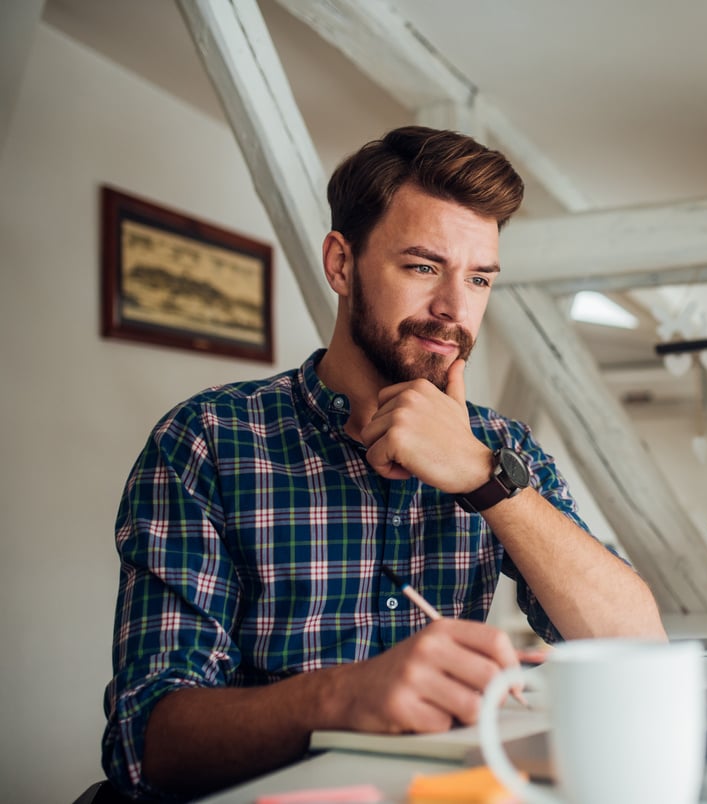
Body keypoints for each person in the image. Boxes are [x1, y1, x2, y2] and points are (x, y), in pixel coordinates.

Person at [102, 126, 666, 801]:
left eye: (479, 278)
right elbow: (146, 743)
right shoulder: (208, 440)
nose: (455, 309)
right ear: (341, 265)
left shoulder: (501, 449)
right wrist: (343, 694)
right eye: (424, 266)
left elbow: (639, 643)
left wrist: (485, 477)